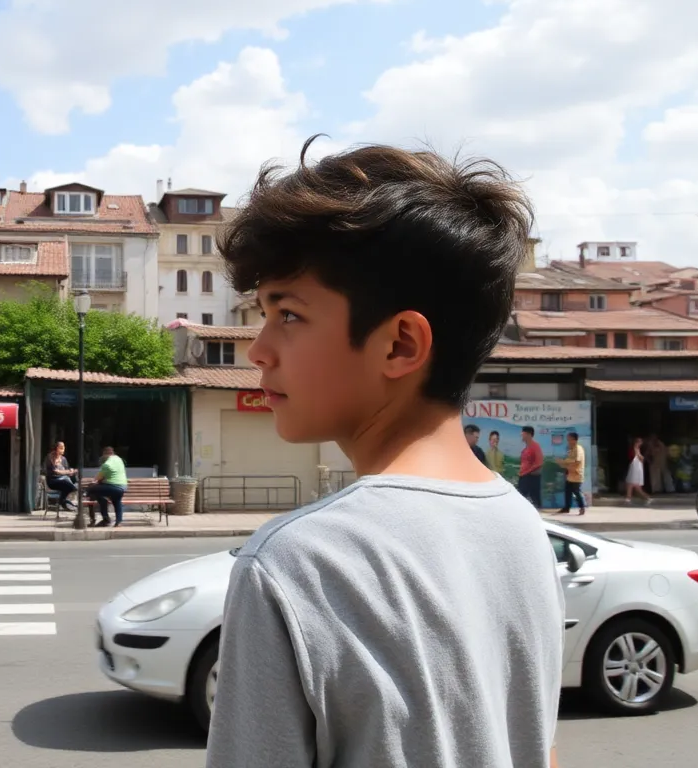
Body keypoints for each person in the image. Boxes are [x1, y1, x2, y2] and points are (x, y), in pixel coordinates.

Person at [206, 141, 563, 768]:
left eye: (287, 315)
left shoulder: (296, 562)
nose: (258, 350)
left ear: (399, 344)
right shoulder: (520, 526)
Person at [86, 446, 127, 527]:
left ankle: (105, 518)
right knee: (117, 501)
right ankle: (118, 522)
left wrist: (91, 484)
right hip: (123, 487)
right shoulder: (119, 459)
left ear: (105, 454)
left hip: (113, 487)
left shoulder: (106, 464)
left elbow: (98, 478)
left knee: (92, 489)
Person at [554, 432, 586, 515]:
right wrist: (561, 463)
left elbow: (577, 461)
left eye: (569, 439)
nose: (568, 441)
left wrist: (564, 463)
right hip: (570, 475)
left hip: (576, 475)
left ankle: (582, 507)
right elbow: (568, 462)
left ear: (574, 440)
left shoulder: (578, 449)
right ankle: (566, 508)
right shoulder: (571, 450)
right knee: (567, 492)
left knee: (576, 492)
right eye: (567, 439)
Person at [44, 441, 79, 512]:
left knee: (72, 484)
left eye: (64, 448)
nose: (63, 450)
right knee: (69, 484)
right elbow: (56, 471)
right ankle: (63, 502)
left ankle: (62, 502)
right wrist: (67, 472)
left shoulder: (64, 459)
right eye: (61, 448)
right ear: (56, 448)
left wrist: (71, 471)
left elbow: (67, 470)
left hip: (63, 480)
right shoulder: (50, 457)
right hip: (53, 480)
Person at [518, 425, 544, 508]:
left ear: (528, 434)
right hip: (524, 476)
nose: (521, 434)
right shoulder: (525, 448)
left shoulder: (535, 446)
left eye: (523, 433)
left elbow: (539, 462)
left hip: (530, 477)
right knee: (521, 497)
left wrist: (531, 474)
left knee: (534, 499)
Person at [625, 437, 652, 505]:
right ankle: (628, 499)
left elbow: (640, 458)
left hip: (635, 468)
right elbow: (640, 458)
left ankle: (629, 499)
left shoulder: (636, 449)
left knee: (633, 485)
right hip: (635, 468)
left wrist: (641, 457)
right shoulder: (635, 449)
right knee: (632, 485)